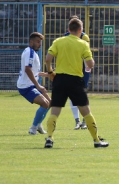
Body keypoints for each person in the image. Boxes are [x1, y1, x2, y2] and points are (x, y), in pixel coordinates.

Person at [43, 17, 108, 149]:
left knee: (55, 110)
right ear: (80, 30)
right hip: (75, 81)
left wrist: (50, 72)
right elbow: (90, 64)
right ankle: (96, 140)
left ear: (68, 29)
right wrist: (90, 62)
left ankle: (49, 138)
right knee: (86, 111)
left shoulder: (58, 41)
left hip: (59, 79)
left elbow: (48, 59)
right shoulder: (83, 44)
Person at [17, 32, 51, 135]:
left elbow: (33, 72)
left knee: (50, 103)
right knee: (45, 104)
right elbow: (27, 70)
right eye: (37, 42)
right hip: (26, 86)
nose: (39, 44)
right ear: (31, 41)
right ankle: (33, 128)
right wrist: (38, 86)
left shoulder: (33, 52)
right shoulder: (30, 53)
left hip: (30, 85)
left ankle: (38, 125)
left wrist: (46, 74)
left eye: (40, 42)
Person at [63, 16, 91, 130]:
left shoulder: (84, 37)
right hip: (70, 69)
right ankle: (77, 120)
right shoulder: (65, 37)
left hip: (82, 69)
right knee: (71, 94)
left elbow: (86, 53)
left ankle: (85, 120)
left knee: (82, 94)